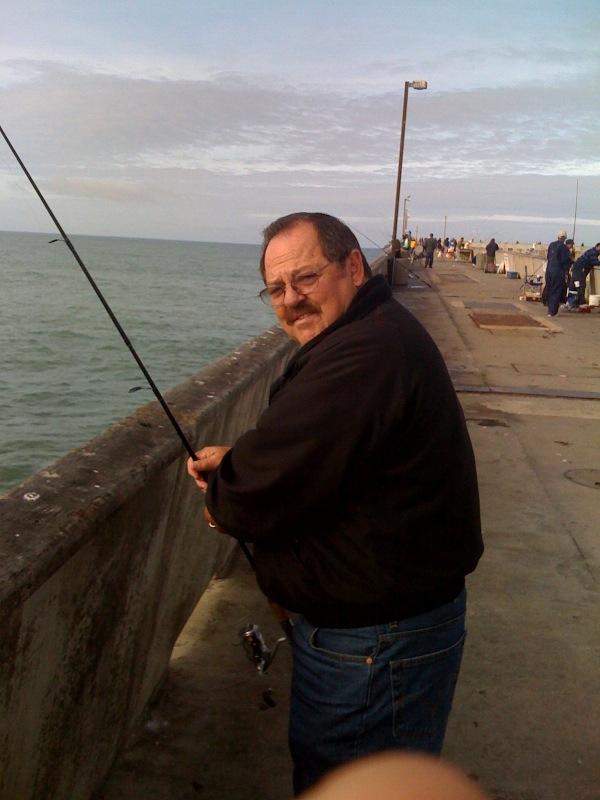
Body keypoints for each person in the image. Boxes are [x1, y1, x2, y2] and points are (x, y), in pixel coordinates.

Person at [187, 212, 483, 796]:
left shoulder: (364, 355)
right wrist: (246, 459)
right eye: (277, 289)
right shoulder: (374, 333)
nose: (292, 300)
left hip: (375, 648)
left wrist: (228, 494)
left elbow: (253, 497)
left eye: (305, 279)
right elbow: (325, 448)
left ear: (353, 266)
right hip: (392, 633)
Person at [544, 230, 571, 316]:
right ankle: (552, 312)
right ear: (564, 238)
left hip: (549, 270)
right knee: (556, 291)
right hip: (557, 271)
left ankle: (549, 309)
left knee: (550, 289)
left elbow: (548, 256)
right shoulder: (563, 247)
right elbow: (565, 261)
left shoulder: (551, 245)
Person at [566, 242, 600, 308]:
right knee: (581, 285)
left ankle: (571, 302)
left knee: (574, 286)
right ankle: (581, 303)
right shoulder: (593, 252)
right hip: (580, 269)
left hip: (576, 268)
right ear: (597, 246)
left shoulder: (592, 251)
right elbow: (595, 262)